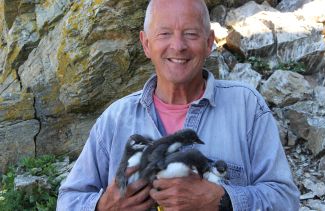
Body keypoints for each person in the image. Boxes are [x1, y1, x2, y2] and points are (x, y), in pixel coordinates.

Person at [57, 0, 300, 210]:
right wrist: (103, 207)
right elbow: (68, 200)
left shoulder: (247, 107)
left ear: (209, 43)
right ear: (146, 44)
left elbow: (286, 200)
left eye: (191, 34)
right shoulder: (115, 119)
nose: (178, 46)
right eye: (164, 33)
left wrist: (225, 202)